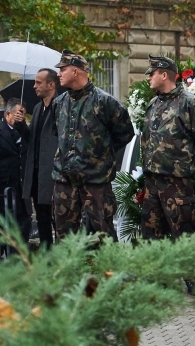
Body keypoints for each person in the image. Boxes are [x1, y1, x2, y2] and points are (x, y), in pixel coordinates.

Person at [140, 55, 195, 293]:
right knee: (152, 230)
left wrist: (188, 162)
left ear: (164, 74)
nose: (149, 77)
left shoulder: (190, 103)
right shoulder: (154, 104)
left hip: (177, 180)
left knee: (183, 230)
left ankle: (191, 279)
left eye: (152, 73)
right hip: (153, 180)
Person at [51, 50, 134, 240]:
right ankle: (70, 271)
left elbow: (125, 133)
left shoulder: (105, 102)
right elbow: (59, 135)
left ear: (76, 71)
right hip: (64, 180)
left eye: (62, 69)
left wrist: (101, 153)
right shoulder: (59, 103)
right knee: (64, 238)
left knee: (103, 235)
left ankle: (109, 271)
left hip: (96, 181)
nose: (58, 73)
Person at [23, 68, 59, 248]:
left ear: (51, 85)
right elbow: (33, 139)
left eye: (38, 82)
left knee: (58, 221)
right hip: (37, 176)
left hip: (54, 176)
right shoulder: (37, 108)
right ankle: (46, 256)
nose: (34, 86)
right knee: (42, 218)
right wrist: (22, 125)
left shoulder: (61, 106)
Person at [0, 98, 31, 244]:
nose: (20, 116)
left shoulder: (24, 130)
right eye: (17, 113)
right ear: (7, 114)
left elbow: (31, 141)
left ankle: (22, 255)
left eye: (22, 113)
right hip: (4, 187)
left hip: (22, 187)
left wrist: (22, 124)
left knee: (24, 222)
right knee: (5, 224)